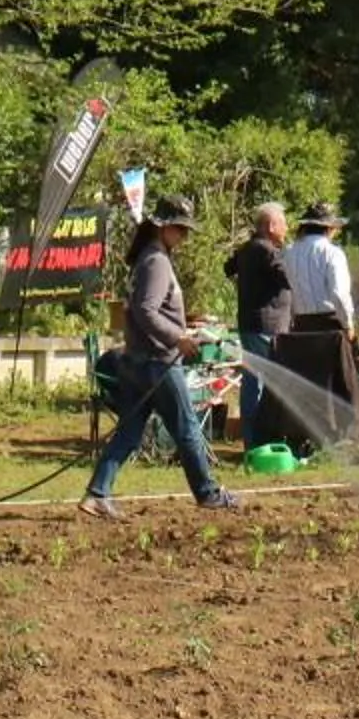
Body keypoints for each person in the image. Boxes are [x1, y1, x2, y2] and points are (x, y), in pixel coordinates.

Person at [83, 198, 239, 516]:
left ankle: (97, 493)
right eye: (180, 229)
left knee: (129, 432)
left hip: (139, 362)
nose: (184, 236)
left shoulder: (149, 258)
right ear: (163, 227)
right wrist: (177, 337)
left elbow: (150, 308)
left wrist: (185, 324)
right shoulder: (156, 261)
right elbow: (145, 310)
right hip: (158, 363)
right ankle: (208, 494)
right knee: (187, 429)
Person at [275, 199, 359, 453]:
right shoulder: (333, 253)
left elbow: (290, 290)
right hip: (330, 323)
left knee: (309, 382)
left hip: (302, 324)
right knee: (342, 383)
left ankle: (305, 436)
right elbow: (338, 293)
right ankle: (343, 436)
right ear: (329, 228)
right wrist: (349, 324)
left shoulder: (290, 252)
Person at [224, 201, 293, 446]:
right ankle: (264, 440)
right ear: (272, 225)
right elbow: (288, 278)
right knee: (269, 385)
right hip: (269, 325)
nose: (286, 229)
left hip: (249, 323)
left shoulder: (247, 249)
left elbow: (227, 268)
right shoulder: (269, 251)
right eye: (283, 224)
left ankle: (252, 442)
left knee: (252, 382)